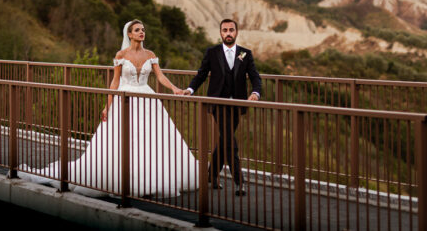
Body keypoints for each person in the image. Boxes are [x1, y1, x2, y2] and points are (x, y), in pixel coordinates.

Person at [21, 20, 199, 197]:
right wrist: (107, 106)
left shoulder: (150, 54)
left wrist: (175, 89)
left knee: (150, 138)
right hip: (124, 97)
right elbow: (114, 82)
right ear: (129, 34)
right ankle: (123, 178)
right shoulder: (121, 55)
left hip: (146, 98)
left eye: (143, 29)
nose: (141, 32)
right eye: (137, 30)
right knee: (123, 138)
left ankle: (150, 177)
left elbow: (160, 76)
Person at [183, 18, 261, 196]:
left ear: (236, 32)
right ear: (220, 33)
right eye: (225, 30)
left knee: (225, 140)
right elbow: (201, 74)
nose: (228, 33)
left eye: (231, 30)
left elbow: (255, 77)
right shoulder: (212, 52)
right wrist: (190, 89)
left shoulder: (245, 54)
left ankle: (211, 175)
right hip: (218, 103)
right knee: (230, 143)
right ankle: (239, 182)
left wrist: (255, 93)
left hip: (237, 103)